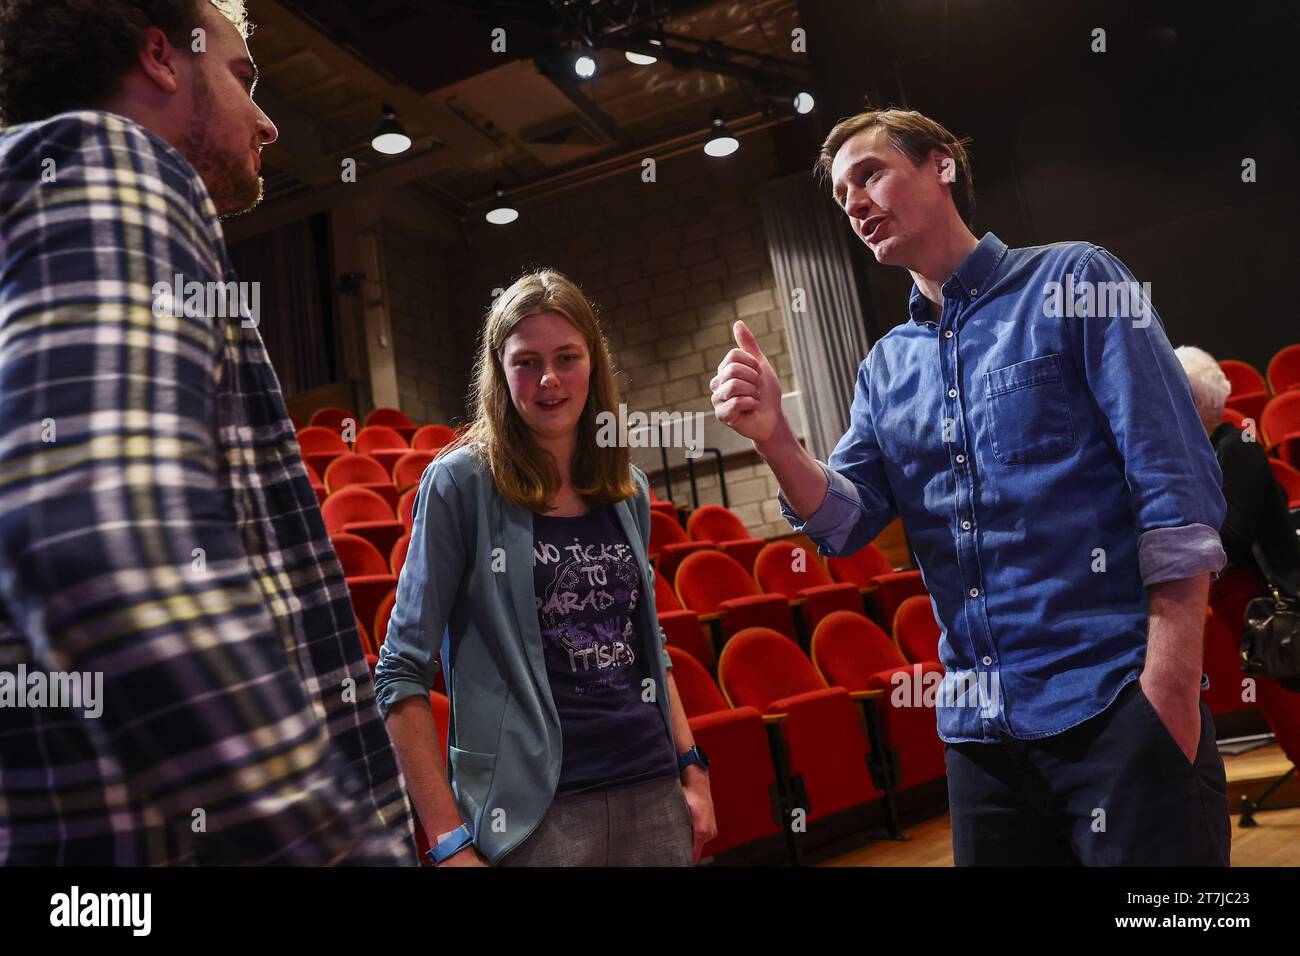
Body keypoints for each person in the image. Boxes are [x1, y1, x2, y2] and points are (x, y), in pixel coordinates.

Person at [711, 107, 1230, 865]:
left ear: (941, 165)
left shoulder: (1074, 278)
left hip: (1118, 704)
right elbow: (844, 522)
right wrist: (777, 441)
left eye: (870, 174)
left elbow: (1173, 480)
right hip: (980, 735)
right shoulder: (886, 366)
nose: (853, 202)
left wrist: (1172, 687)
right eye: (840, 195)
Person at [0, 0, 412, 864]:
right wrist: (333, 849)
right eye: (242, 77)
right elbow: (99, 541)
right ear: (160, 56)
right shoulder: (110, 161)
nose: (265, 121)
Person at [375, 269, 717, 866]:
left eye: (567, 356)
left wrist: (692, 768)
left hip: (651, 788)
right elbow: (400, 672)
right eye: (526, 361)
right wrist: (449, 841)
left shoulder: (626, 489)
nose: (549, 379)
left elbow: (648, 648)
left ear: (594, 363)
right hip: (533, 816)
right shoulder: (460, 484)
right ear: (500, 373)